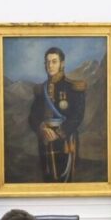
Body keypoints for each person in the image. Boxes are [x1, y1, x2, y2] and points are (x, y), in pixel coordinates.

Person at [27, 46, 85, 183]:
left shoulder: (73, 88)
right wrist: (41, 128)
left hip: (66, 141)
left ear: (62, 64)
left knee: (65, 182)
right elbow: (32, 117)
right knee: (47, 179)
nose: (50, 65)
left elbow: (77, 116)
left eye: (54, 61)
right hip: (45, 141)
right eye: (47, 62)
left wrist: (58, 133)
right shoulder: (41, 90)